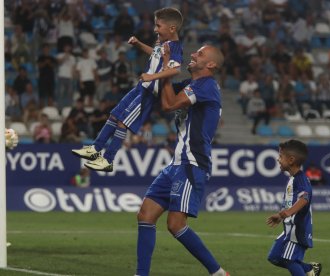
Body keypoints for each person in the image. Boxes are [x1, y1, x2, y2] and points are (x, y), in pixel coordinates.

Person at [134, 44, 229, 276]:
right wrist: (160, 63)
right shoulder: (191, 85)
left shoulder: (207, 86)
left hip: (192, 164)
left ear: (211, 65)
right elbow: (160, 93)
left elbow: (169, 104)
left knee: (175, 225)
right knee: (145, 214)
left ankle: (218, 273)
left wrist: (167, 70)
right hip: (176, 163)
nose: (194, 54)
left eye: (200, 54)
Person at [72, 7, 184, 173]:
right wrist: (138, 44)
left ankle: (108, 160)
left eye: (158, 26)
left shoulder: (175, 47)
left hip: (149, 92)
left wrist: (151, 77)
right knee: (114, 114)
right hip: (140, 87)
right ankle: (95, 149)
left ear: (172, 28)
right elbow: (155, 54)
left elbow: (176, 70)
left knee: (122, 122)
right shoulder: (163, 42)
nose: (155, 29)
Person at [267, 139, 321, 276]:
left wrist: (287, 213)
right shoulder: (293, 178)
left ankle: (308, 270)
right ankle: (309, 269)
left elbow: (304, 198)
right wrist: (280, 216)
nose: (278, 159)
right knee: (274, 257)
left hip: (297, 230)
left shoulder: (301, 179)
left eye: (280, 156)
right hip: (289, 229)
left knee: (289, 260)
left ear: (291, 160)